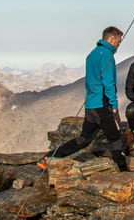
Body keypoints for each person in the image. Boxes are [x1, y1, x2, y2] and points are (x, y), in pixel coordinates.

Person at [52, 25, 127, 170]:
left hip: (91, 103)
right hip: (102, 103)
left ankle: (51, 156)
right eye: (118, 41)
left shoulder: (92, 54)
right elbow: (108, 81)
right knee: (115, 137)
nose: (118, 45)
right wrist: (113, 103)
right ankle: (122, 169)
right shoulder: (106, 55)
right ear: (112, 39)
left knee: (84, 139)